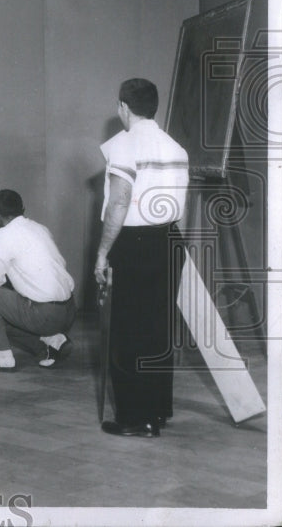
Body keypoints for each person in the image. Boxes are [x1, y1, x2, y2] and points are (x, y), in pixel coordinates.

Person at [94, 78, 188, 438]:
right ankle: (159, 410)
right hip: (170, 239)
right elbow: (183, 207)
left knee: (128, 331)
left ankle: (136, 418)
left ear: (123, 107)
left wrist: (102, 254)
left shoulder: (124, 145)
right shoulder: (177, 148)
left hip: (134, 243)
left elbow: (118, 203)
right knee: (159, 328)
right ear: (155, 107)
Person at [0, 189, 76, 371]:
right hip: (69, 311)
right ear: (22, 208)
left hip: (45, 315)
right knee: (0, 315)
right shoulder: (40, 228)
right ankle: (53, 342)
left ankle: (2, 357)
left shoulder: (4, 235)